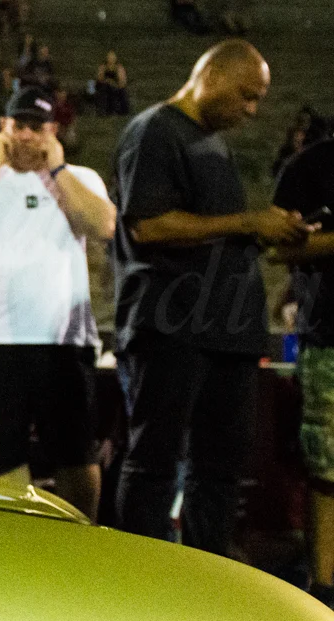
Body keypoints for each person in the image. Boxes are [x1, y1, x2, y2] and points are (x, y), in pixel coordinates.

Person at [110, 39, 305, 554]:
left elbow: (213, 232)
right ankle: (137, 576)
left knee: (220, 469)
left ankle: (206, 576)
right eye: (247, 95)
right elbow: (149, 225)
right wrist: (248, 221)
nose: (252, 110)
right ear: (212, 76)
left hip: (228, 333)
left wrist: (268, 232)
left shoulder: (212, 142)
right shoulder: (155, 130)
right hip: (170, 325)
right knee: (155, 462)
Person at [0, 87, 118, 521]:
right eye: (20, 125)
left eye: (38, 127)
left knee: (76, 452)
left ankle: (79, 537)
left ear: (53, 131)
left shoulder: (79, 178)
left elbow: (105, 224)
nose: (28, 136)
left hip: (62, 340)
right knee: (3, 453)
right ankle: (12, 540)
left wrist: (59, 169)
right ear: (4, 126)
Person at [271, 134, 334, 606]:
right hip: (331, 338)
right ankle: (325, 591)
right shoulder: (313, 166)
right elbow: (279, 246)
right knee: (327, 468)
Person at [92, 50, 129, 116]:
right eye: (109, 58)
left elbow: (122, 83)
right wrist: (107, 81)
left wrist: (113, 84)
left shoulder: (119, 68)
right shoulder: (103, 67)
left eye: (112, 58)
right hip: (104, 87)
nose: (111, 60)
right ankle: (103, 110)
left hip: (116, 87)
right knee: (102, 89)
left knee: (119, 92)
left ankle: (119, 110)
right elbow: (99, 79)